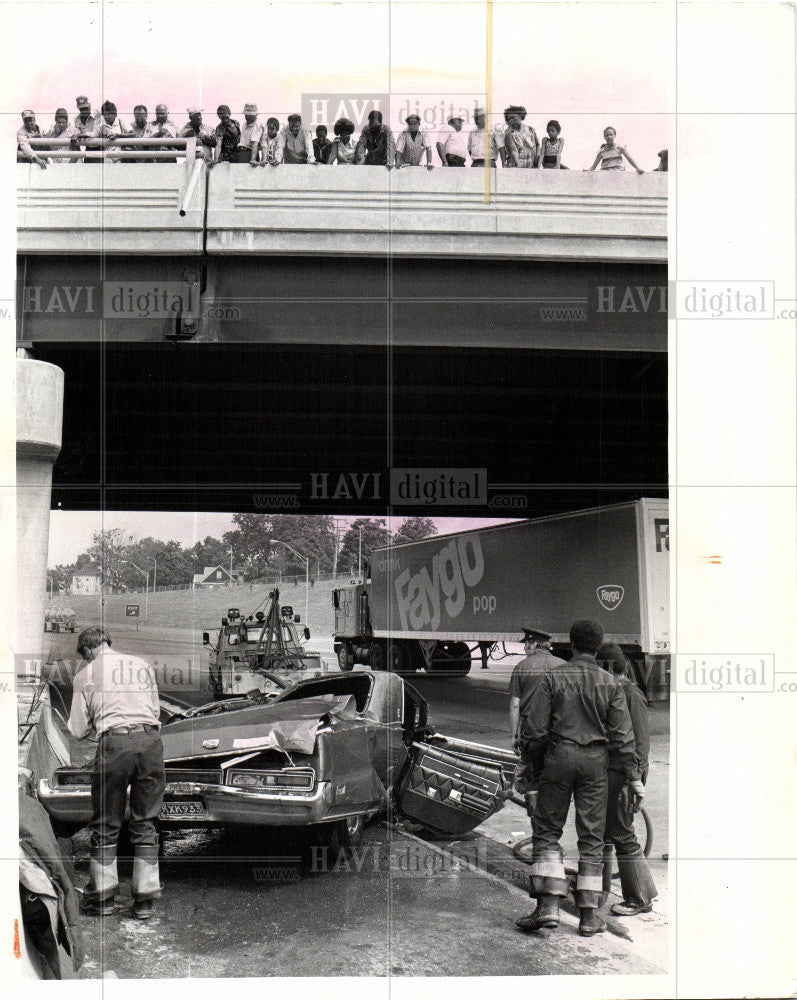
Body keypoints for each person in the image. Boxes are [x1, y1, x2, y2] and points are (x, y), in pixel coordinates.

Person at [515, 619, 644, 937]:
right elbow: (623, 738)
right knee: (592, 839)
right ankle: (589, 916)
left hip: (558, 760)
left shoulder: (553, 677)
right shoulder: (610, 683)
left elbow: (534, 730)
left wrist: (532, 765)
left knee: (547, 832)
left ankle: (547, 908)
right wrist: (634, 779)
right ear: (597, 647)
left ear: (571, 645)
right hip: (595, 767)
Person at [67, 627, 165, 920]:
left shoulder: (86, 675)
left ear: (87, 650)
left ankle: (103, 899)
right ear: (108, 643)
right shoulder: (141, 665)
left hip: (114, 744)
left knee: (105, 823)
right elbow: (155, 709)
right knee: (145, 821)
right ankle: (145, 901)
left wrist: (96, 727)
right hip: (150, 742)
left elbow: (76, 729)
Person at [597, 642, 658, 916]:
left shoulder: (630, 694)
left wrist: (634, 781)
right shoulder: (614, 691)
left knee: (622, 833)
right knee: (614, 831)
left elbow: (640, 744)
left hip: (623, 775)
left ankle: (640, 898)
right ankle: (629, 893)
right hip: (612, 774)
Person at [510, 629, 567, 798]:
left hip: (532, 734)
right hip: (558, 734)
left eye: (526, 645)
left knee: (533, 778)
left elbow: (515, 705)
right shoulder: (563, 666)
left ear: (533, 644)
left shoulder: (522, 667)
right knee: (555, 778)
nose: (524, 649)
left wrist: (513, 736)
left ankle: (537, 815)